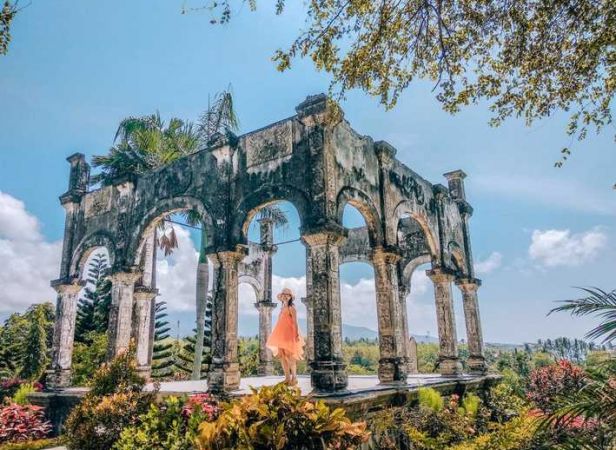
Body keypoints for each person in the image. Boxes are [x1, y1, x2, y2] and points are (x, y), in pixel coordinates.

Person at [266, 287, 304, 385]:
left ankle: (294, 378)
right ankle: (287, 378)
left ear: (290, 297)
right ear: (282, 297)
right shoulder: (282, 308)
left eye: (288, 295)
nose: (286, 296)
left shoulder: (292, 308)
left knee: (290, 356)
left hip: (289, 334)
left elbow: (295, 322)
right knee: (282, 357)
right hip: (281, 334)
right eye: (284, 295)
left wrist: (296, 334)